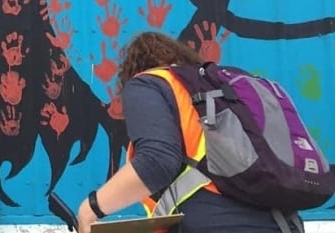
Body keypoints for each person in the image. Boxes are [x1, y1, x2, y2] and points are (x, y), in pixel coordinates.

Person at [76, 31, 303, 233]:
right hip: (285, 223)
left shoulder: (150, 83)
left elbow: (156, 162)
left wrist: (90, 209)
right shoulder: (225, 95)